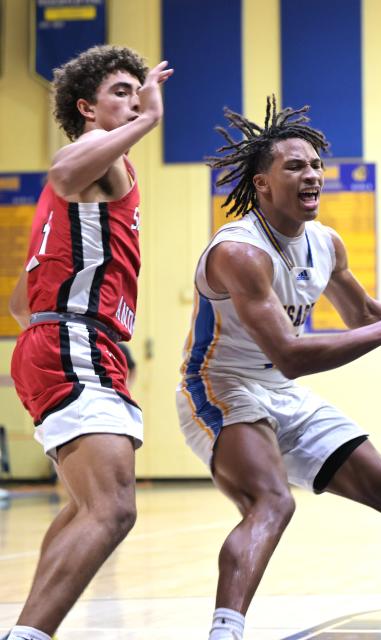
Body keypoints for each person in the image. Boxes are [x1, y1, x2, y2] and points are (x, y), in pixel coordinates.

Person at [176, 96, 381, 640]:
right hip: (220, 387)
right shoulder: (239, 252)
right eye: (295, 166)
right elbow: (293, 353)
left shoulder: (325, 244)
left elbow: (365, 314)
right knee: (272, 500)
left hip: (280, 391)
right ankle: (225, 633)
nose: (312, 175)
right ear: (261, 184)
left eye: (316, 166)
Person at [5, 46, 172, 640]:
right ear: (87, 108)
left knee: (84, 507)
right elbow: (63, 170)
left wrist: (53, 336)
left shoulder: (80, 194)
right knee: (113, 509)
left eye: (137, 91)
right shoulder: (93, 163)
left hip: (60, 340)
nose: (134, 100)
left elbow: (20, 303)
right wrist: (149, 120)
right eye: (121, 92)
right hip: (75, 340)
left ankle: (26, 627)